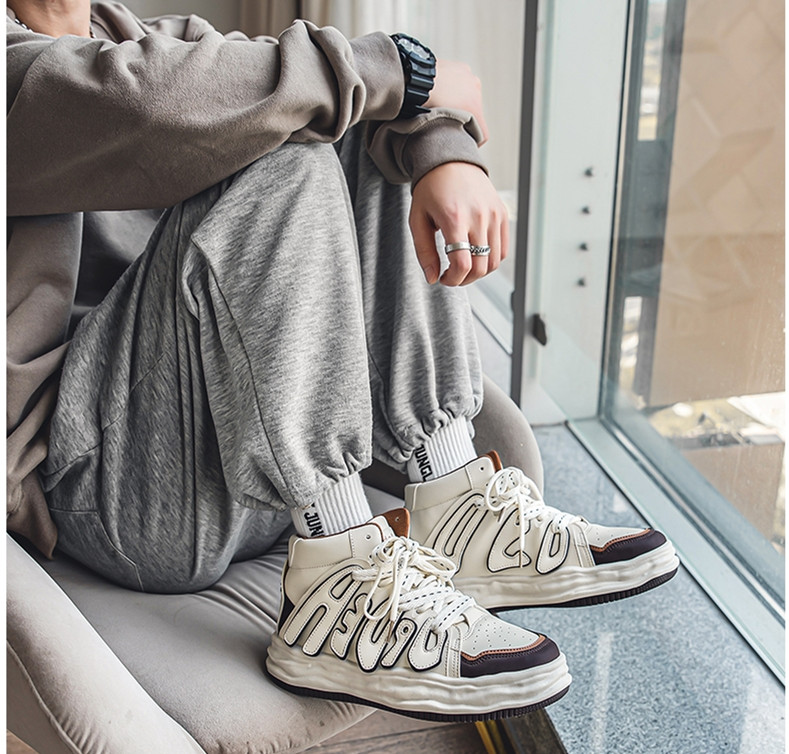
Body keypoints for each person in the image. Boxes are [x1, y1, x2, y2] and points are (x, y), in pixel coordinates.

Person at [6, 0, 679, 722]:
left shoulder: (156, 41)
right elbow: (148, 101)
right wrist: (412, 71)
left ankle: (452, 499)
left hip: (263, 479)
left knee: (326, 115)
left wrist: (441, 149)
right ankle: (336, 591)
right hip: (107, 497)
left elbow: (325, 89)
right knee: (283, 137)